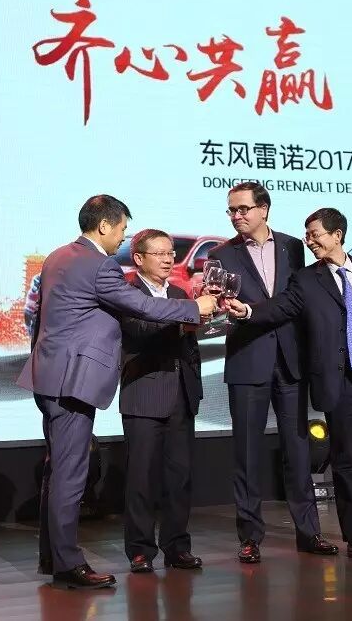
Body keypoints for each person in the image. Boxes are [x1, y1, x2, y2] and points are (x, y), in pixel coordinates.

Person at [16, 195, 218, 590]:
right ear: (104, 226)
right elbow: (141, 306)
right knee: (70, 474)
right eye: (122, 230)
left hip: (50, 374)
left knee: (58, 471)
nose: (122, 237)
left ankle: (54, 557)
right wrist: (196, 308)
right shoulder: (98, 265)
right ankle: (68, 563)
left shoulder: (58, 256)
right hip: (72, 379)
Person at [225, 207, 352, 557]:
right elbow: (280, 307)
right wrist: (248, 311)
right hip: (341, 381)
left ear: (337, 235)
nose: (309, 241)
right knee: (345, 462)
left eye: (315, 234)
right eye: (306, 235)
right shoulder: (307, 280)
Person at [207, 182, 337, 563]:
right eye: (231, 210)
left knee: (297, 449)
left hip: (291, 358)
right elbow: (216, 303)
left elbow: (299, 298)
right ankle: (250, 537)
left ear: (263, 209)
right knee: (247, 453)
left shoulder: (293, 246)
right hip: (248, 358)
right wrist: (220, 307)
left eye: (243, 209)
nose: (236, 216)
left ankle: (309, 533)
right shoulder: (220, 254)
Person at [118, 229, 204, 574]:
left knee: (179, 477)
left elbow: (190, 345)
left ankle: (177, 546)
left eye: (171, 253)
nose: (169, 259)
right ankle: (140, 550)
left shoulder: (180, 293)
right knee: (141, 478)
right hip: (144, 393)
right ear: (139, 258)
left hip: (181, 394)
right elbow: (141, 330)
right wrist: (188, 317)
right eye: (160, 254)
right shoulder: (127, 292)